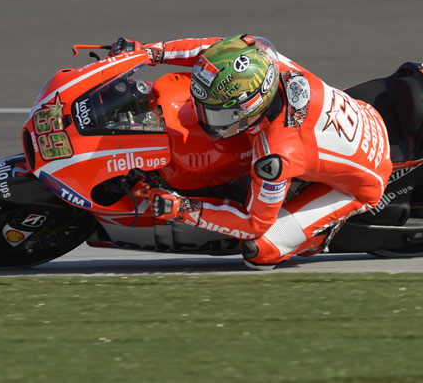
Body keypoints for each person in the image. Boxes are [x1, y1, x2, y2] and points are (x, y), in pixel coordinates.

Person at [109, 35, 393, 269]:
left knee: (260, 250)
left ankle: (319, 236)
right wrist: (148, 53)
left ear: (251, 107)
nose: (205, 121)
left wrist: (183, 209)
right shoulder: (265, 60)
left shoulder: (275, 156)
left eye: (217, 115)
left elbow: (253, 224)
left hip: (363, 181)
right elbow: (211, 51)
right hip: (357, 115)